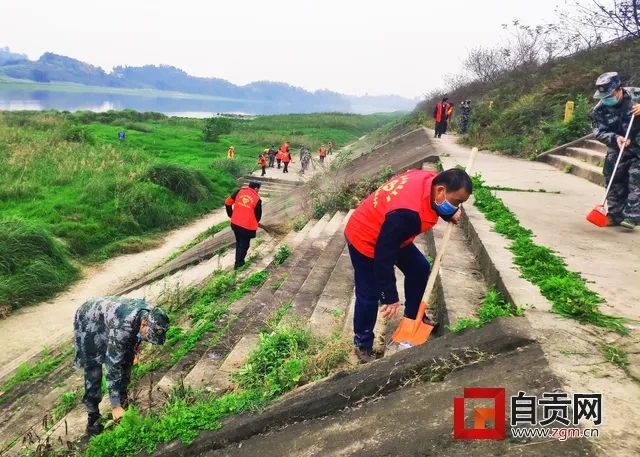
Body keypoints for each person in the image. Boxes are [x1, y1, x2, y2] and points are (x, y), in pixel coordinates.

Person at [343, 168, 472, 363]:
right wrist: (390, 295)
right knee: (369, 294)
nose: (457, 207)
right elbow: (384, 254)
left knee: (419, 269)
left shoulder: (429, 179)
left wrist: (448, 214)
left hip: (390, 232)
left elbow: (434, 206)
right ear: (440, 191)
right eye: (457, 202)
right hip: (365, 237)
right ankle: (363, 344)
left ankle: (413, 316)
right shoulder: (407, 214)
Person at [73, 298, 169, 436]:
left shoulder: (152, 314)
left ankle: (123, 402)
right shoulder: (123, 328)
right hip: (89, 319)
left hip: (110, 318)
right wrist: (115, 405)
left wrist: (133, 350)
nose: (149, 340)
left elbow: (134, 340)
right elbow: (113, 367)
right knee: (93, 366)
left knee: (126, 359)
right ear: (144, 324)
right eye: (149, 337)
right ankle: (92, 417)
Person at [592, 72, 640, 230]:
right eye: (603, 96)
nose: (606, 99)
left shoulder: (637, 95)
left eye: (609, 95)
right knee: (612, 175)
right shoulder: (599, 110)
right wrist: (615, 138)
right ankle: (615, 214)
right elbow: (598, 132)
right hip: (619, 146)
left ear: (619, 89)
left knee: (636, 176)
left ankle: (633, 217)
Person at [225, 181, 263, 269]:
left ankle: (238, 263)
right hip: (247, 227)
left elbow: (227, 203)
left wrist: (231, 214)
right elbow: (258, 216)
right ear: (256, 188)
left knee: (239, 243)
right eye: (259, 189)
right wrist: (254, 222)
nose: (259, 191)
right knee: (245, 245)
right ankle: (238, 264)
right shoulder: (257, 199)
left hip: (235, 224)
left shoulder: (239, 191)